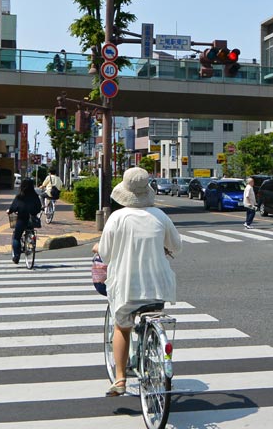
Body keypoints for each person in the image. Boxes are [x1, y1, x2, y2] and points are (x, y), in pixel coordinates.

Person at [92, 167, 182, 397]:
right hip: (158, 287)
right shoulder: (160, 216)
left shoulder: (117, 218)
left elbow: (105, 254)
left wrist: (97, 248)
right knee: (151, 316)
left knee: (122, 328)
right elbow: (176, 246)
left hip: (126, 288)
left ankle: (120, 379)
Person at [6, 178, 43, 264]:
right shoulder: (35, 196)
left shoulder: (20, 196)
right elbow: (38, 207)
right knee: (31, 231)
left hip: (22, 219)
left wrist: (9, 211)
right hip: (32, 220)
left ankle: (17, 256)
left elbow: (13, 207)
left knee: (16, 237)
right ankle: (31, 242)